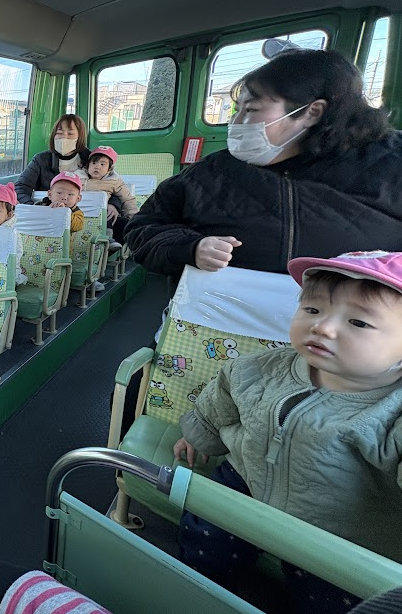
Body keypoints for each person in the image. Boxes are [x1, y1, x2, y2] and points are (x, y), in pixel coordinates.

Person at [173, 250, 402, 614]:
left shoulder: (393, 410)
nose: (322, 327)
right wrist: (200, 433)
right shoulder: (263, 367)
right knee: (204, 538)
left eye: (358, 322)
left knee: (330, 599)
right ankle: (201, 591)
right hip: (247, 479)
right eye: (312, 309)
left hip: (340, 533)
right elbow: (222, 397)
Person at [126, 49, 402, 281]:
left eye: (252, 110)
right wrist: (190, 247)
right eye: (237, 110)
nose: (236, 123)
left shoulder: (389, 163)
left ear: (312, 112)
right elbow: (143, 227)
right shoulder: (211, 172)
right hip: (216, 321)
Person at [81, 145, 138, 244]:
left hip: (104, 214)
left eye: (102, 164)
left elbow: (127, 199)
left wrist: (133, 218)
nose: (97, 166)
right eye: (94, 163)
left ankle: (108, 239)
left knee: (123, 223)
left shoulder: (114, 181)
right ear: (88, 165)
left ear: (109, 169)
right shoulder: (78, 178)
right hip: (81, 213)